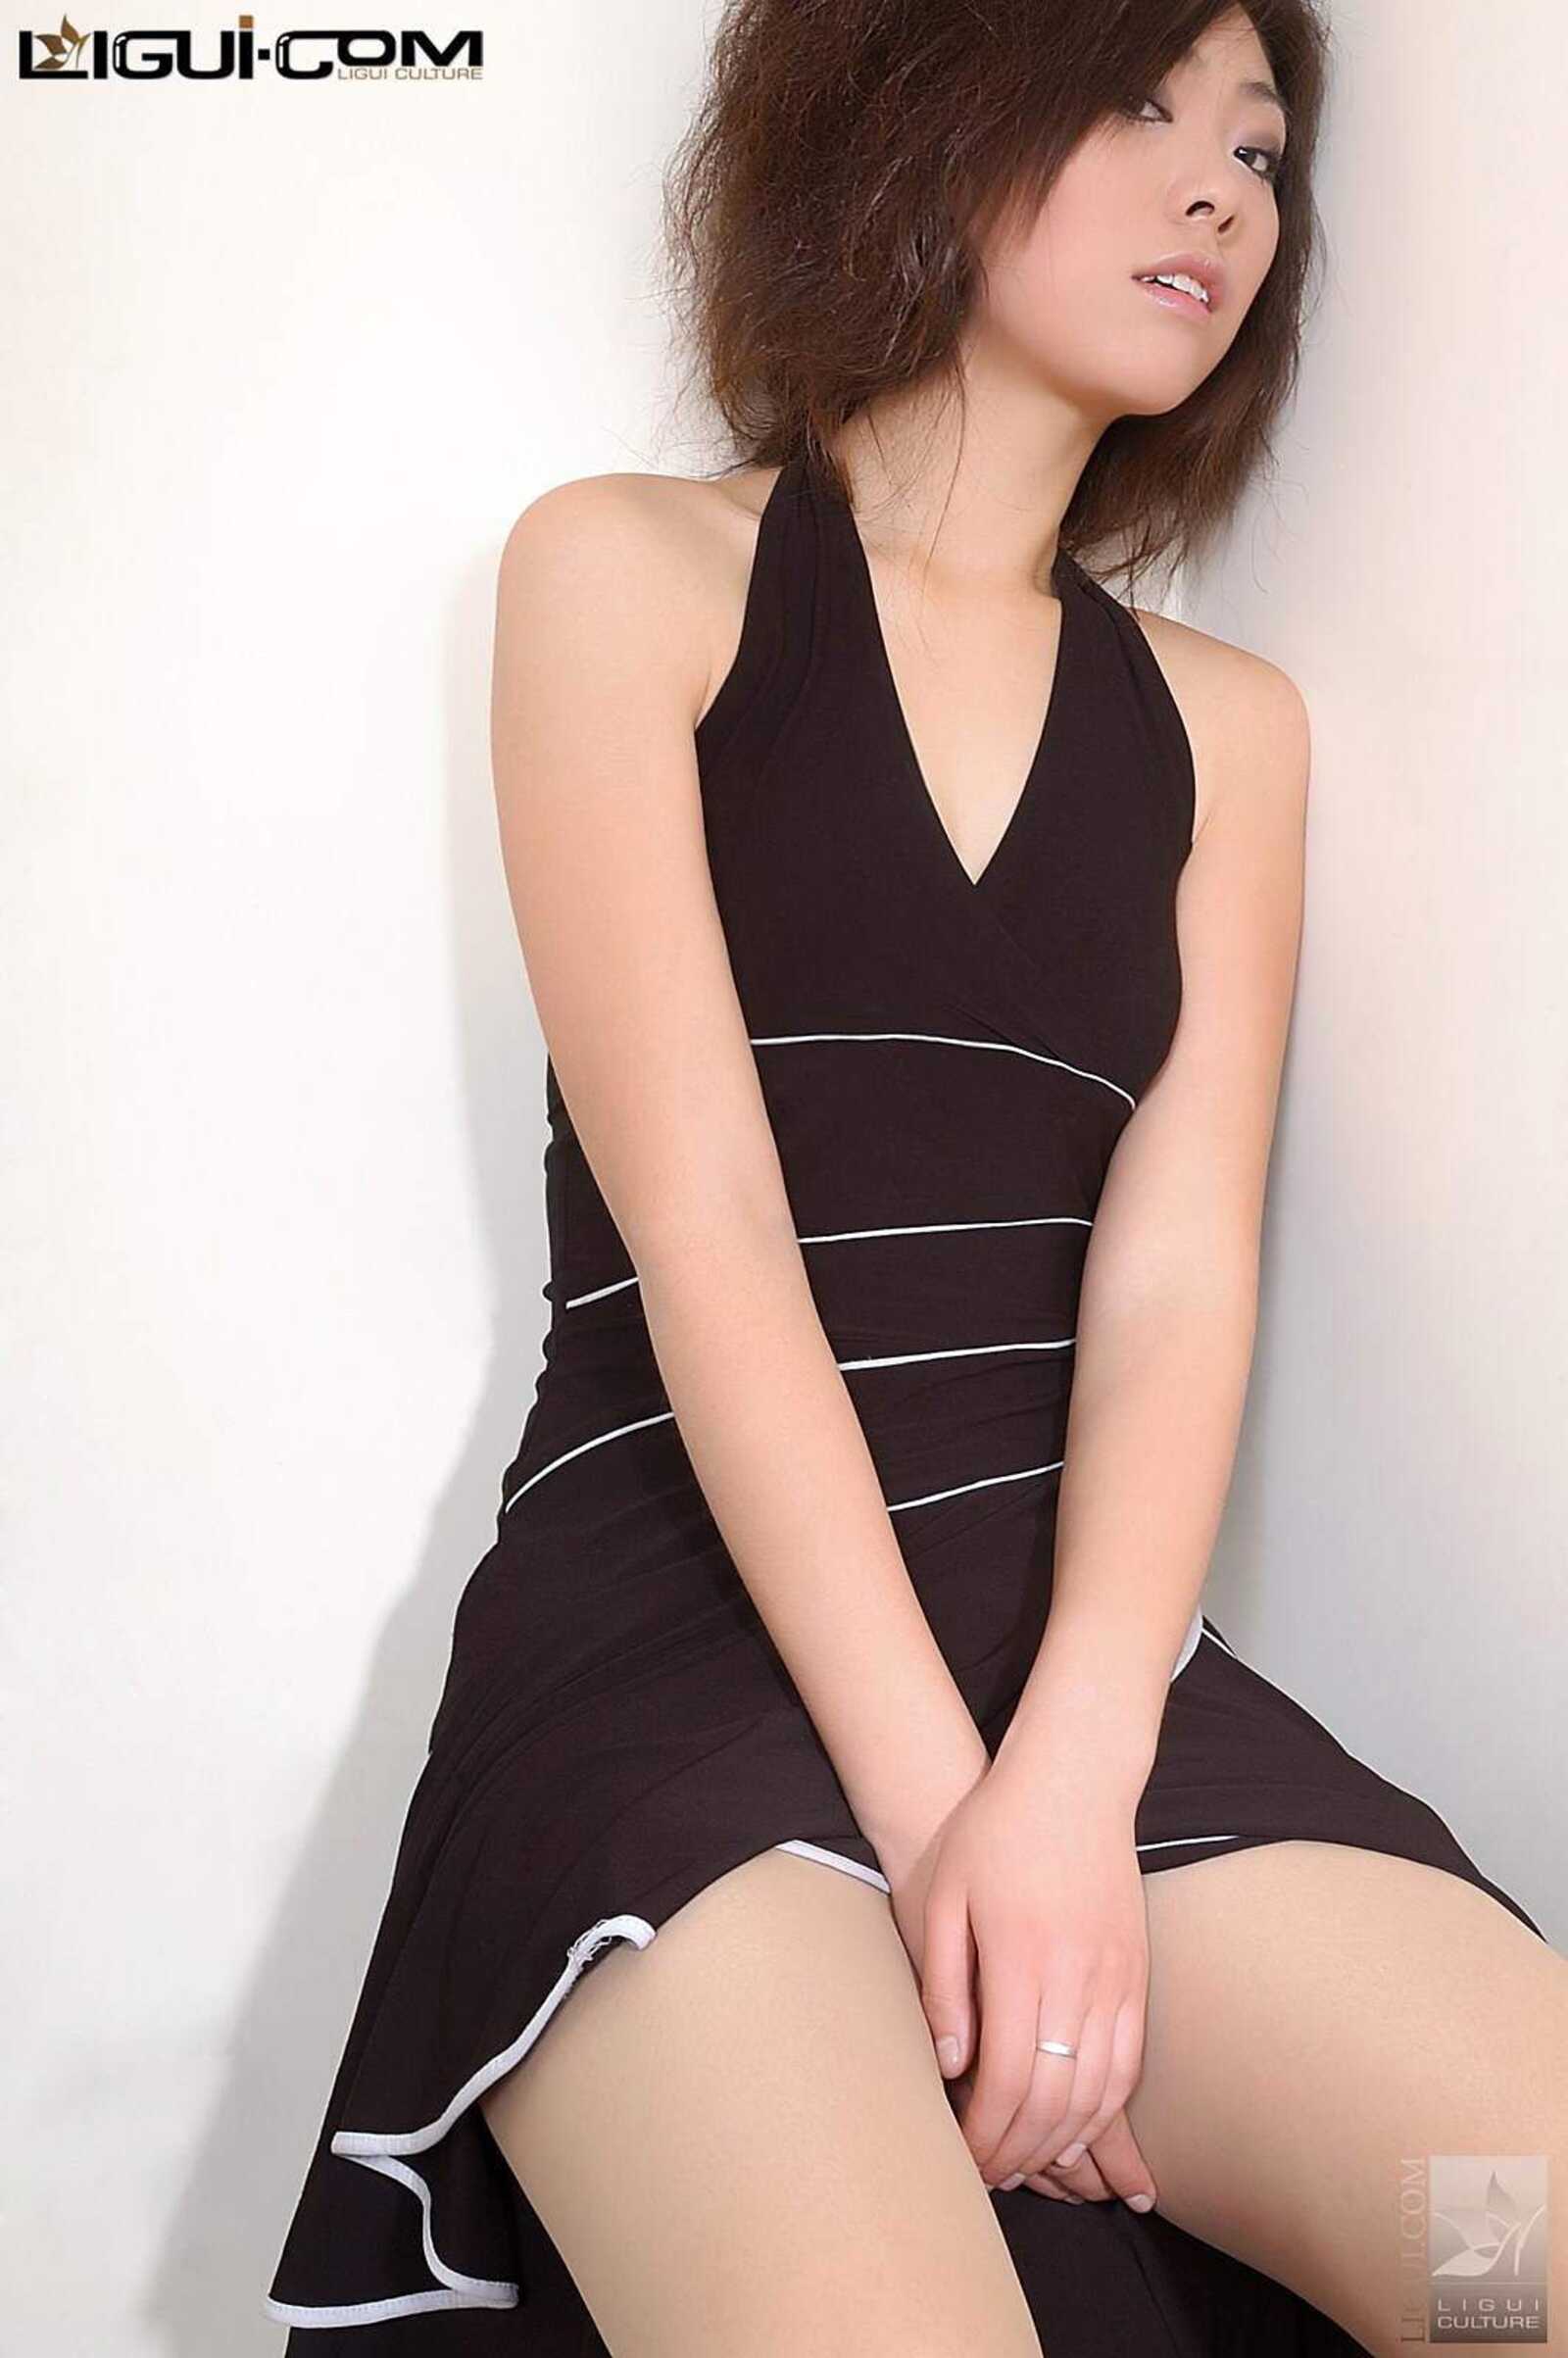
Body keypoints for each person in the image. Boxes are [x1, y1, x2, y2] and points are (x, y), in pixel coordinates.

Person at [264, 3, 1567, 2352]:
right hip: (671, 1661)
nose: (1216, 190)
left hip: (1088, 1693)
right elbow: (708, 1237)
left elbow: (1176, 1281)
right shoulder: (624, 575)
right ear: (924, 123)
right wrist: (947, 1815)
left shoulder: (1230, 733)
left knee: (1514, 2251)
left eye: (1258, 148)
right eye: (1137, 106)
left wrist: (1062, 1778)